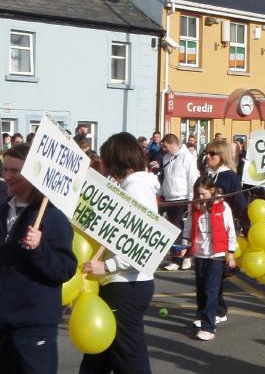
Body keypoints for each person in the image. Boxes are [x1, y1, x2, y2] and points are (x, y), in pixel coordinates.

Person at [80, 132, 159, 374]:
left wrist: (107, 267)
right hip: (123, 283)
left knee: (128, 357)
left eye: (105, 159)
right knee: (99, 353)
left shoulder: (135, 189)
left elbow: (143, 243)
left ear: (114, 159)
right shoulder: (133, 185)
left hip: (126, 284)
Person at [0, 143, 77, 374]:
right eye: (5, 170)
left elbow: (64, 270)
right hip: (4, 325)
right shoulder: (3, 211)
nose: (8, 177)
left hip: (33, 326)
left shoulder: (52, 217)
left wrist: (39, 247)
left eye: (16, 171)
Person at [183, 176, 236, 341]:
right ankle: (202, 315)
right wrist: (184, 247)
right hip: (200, 254)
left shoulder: (223, 206)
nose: (200, 197)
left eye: (203, 194)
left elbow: (230, 230)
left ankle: (209, 327)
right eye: (197, 194)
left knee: (210, 290)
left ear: (212, 191)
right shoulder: (195, 207)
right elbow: (188, 228)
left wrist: (231, 254)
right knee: (201, 289)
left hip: (216, 255)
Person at [204, 140, 249, 322]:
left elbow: (239, 205)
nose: (208, 157)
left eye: (212, 154)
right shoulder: (207, 175)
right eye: (206, 153)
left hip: (223, 230)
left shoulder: (230, 177)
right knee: (206, 274)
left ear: (222, 157)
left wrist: (247, 228)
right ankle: (210, 309)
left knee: (214, 275)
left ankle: (218, 310)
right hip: (205, 231)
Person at [160, 134, 198, 271]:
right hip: (169, 198)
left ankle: (186, 256)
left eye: (166, 146)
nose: (165, 149)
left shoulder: (187, 157)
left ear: (173, 144)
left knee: (182, 229)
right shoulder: (166, 158)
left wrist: (191, 199)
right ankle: (176, 258)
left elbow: (192, 179)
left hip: (182, 198)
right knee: (173, 230)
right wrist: (160, 193)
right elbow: (166, 178)